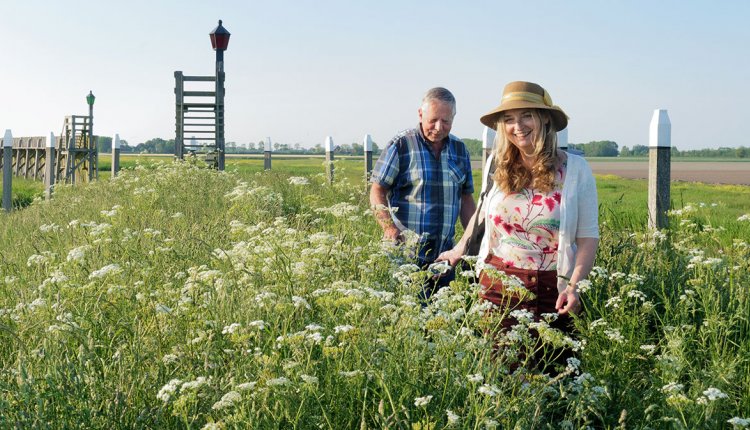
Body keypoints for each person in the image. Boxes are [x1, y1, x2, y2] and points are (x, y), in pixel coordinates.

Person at [437, 81, 599, 372]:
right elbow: (482, 214)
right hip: (499, 285)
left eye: (526, 116)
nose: (517, 126)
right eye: (509, 119)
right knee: (503, 378)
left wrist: (574, 287)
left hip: (554, 289)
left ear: (545, 119)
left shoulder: (575, 170)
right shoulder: (495, 165)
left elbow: (588, 239)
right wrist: (459, 248)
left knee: (557, 379)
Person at [370, 87, 476, 300]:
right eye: (433, 120)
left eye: (446, 121)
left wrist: (474, 242)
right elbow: (377, 190)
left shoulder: (459, 149)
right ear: (420, 114)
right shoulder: (401, 145)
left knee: (440, 322)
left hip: (444, 258)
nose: (438, 127)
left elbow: (466, 199)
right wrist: (389, 228)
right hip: (405, 257)